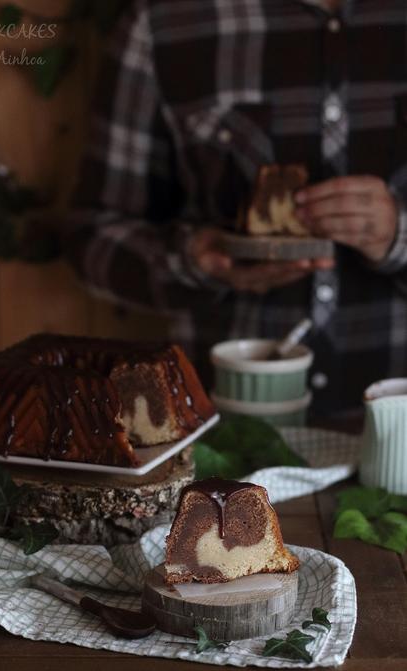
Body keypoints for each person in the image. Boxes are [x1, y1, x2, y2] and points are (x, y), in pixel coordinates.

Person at [64, 0, 407, 417]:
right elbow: (92, 236)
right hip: (224, 441)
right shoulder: (165, 22)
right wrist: (194, 261)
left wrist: (398, 234)